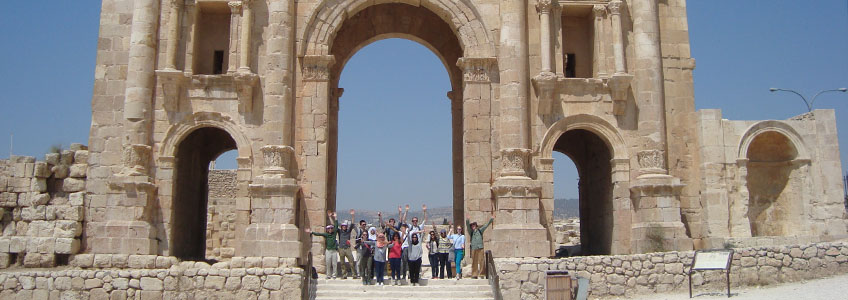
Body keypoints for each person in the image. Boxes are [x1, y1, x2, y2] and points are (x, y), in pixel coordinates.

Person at [305, 210, 339, 279]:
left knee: (334, 263)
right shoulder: (326, 235)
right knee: (328, 263)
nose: (330, 229)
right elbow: (319, 234)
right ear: (327, 230)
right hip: (328, 250)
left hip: (334, 250)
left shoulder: (334, 233)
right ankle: (328, 275)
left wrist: (335, 217)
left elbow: (336, 225)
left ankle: (334, 275)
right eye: (329, 229)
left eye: (331, 228)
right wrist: (311, 232)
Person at [467, 212, 495, 279]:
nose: (473, 227)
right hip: (474, 248)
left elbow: (486, 226)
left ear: (476, 226)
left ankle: (482, 273)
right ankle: (474, 274)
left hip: (480, 247)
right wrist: (467, 220)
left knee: (481, 260)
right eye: (472, 226)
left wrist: (491, 219)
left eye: (474, 226)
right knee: (474, 261)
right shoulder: (471, 232)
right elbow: (467, 226)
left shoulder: (480, 230)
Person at [336, 211, 358, 279]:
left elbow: (352, 224)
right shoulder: (339, 232)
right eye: (343, 226)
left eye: (345, 226)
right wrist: (335, 217)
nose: (344, 227)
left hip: (347, 248)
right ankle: (344, 275)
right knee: (342, 263)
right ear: (341, 227)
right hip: (341, 248)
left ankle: (354, 274)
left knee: (351, 262)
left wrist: (353, 216)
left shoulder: (348, 231)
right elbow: (335, 226)